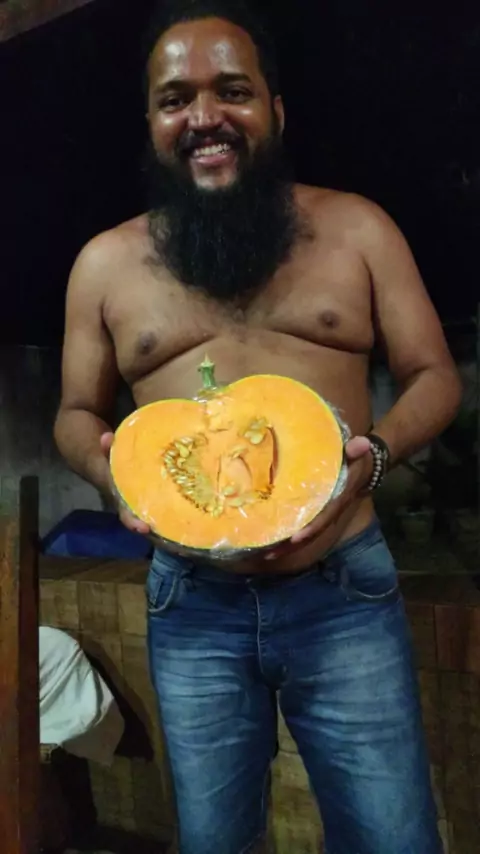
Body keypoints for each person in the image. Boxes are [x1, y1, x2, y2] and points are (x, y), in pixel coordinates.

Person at [54, 1, 462, 851]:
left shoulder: (358, 228)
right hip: (192, 602)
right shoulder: (103, 264)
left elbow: (434, 376)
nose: (204, 116)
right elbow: (76, 414)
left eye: (231, 91)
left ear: (275, 109)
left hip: (343, 592)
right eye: (176, 100)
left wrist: (374, 458)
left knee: (394, 839)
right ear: (151, 124)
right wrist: (112, 472)